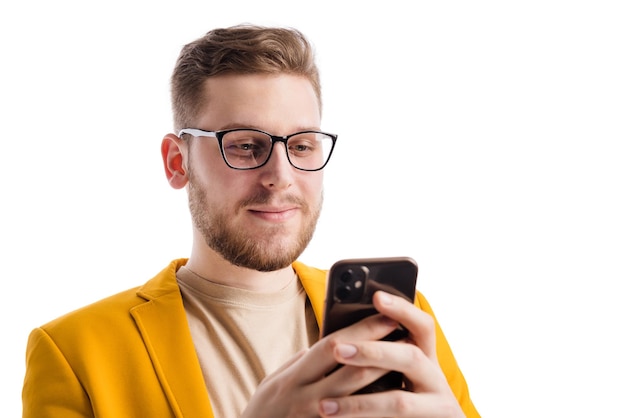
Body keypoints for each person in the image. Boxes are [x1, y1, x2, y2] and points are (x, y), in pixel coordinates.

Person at [22, 24, 480, 418]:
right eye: (244, 145)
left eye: (301, 146)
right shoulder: (72, 352)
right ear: (177, 162)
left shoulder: (402, 317)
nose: (280, 177)